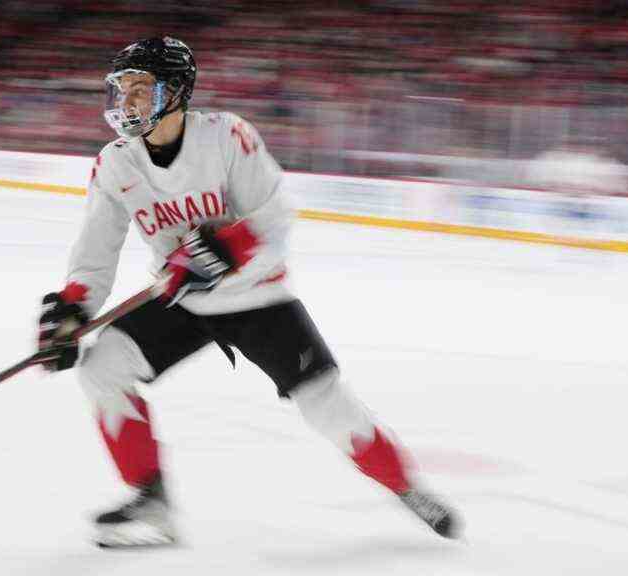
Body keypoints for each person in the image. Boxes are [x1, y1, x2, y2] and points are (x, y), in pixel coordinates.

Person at [37, 36, 461, 548]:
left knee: (327, 405)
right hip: (184, 300)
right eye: (121, 90)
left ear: (174, 92)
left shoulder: (226, 136)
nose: (126, 102)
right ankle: (151, 504)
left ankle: (407, 487)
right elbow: (96, 248)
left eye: (140, 89)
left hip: (258, 298)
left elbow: (275, 215)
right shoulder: (115, 163)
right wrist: (72, 311)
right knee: (103, 366)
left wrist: (220, 249)